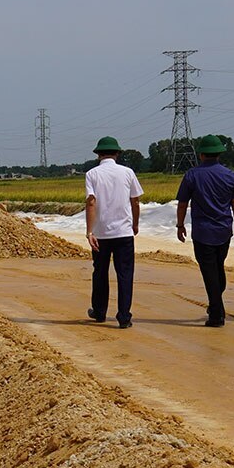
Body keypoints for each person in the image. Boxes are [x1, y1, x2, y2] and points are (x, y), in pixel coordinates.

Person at [176, 134, 234, 326]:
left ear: (201, 154)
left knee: (209, 272)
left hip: (202, 231)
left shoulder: (192, 175)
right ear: (219, 154)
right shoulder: (231, 176)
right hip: (224, 230)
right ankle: (217, 303)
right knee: (217, 267)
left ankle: (216, 314)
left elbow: (183, 203)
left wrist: (180, 224)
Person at [84, 136, 144, 328]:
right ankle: (124, 316)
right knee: (125, 274)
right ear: (117, 153)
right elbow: (135, 200)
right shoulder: (127, 172)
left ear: (98, 154)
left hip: (101, 234)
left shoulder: (92, 174)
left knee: (100, 272)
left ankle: (100, 312)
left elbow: (91, 202)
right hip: (124, 233)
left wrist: (89, 232)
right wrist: (135, 223)